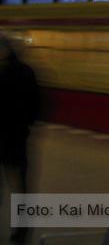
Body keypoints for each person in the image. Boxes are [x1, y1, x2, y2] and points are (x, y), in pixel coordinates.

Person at [0, 33, 41, 244]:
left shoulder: (20, 72)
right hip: (17, 138)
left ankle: (22, 231)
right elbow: (36, 105)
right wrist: (26, 123)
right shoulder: (26, 71)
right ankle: (22, 231)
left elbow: (34, 105)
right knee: (21, 189)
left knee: (19, 189)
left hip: (13, 138)